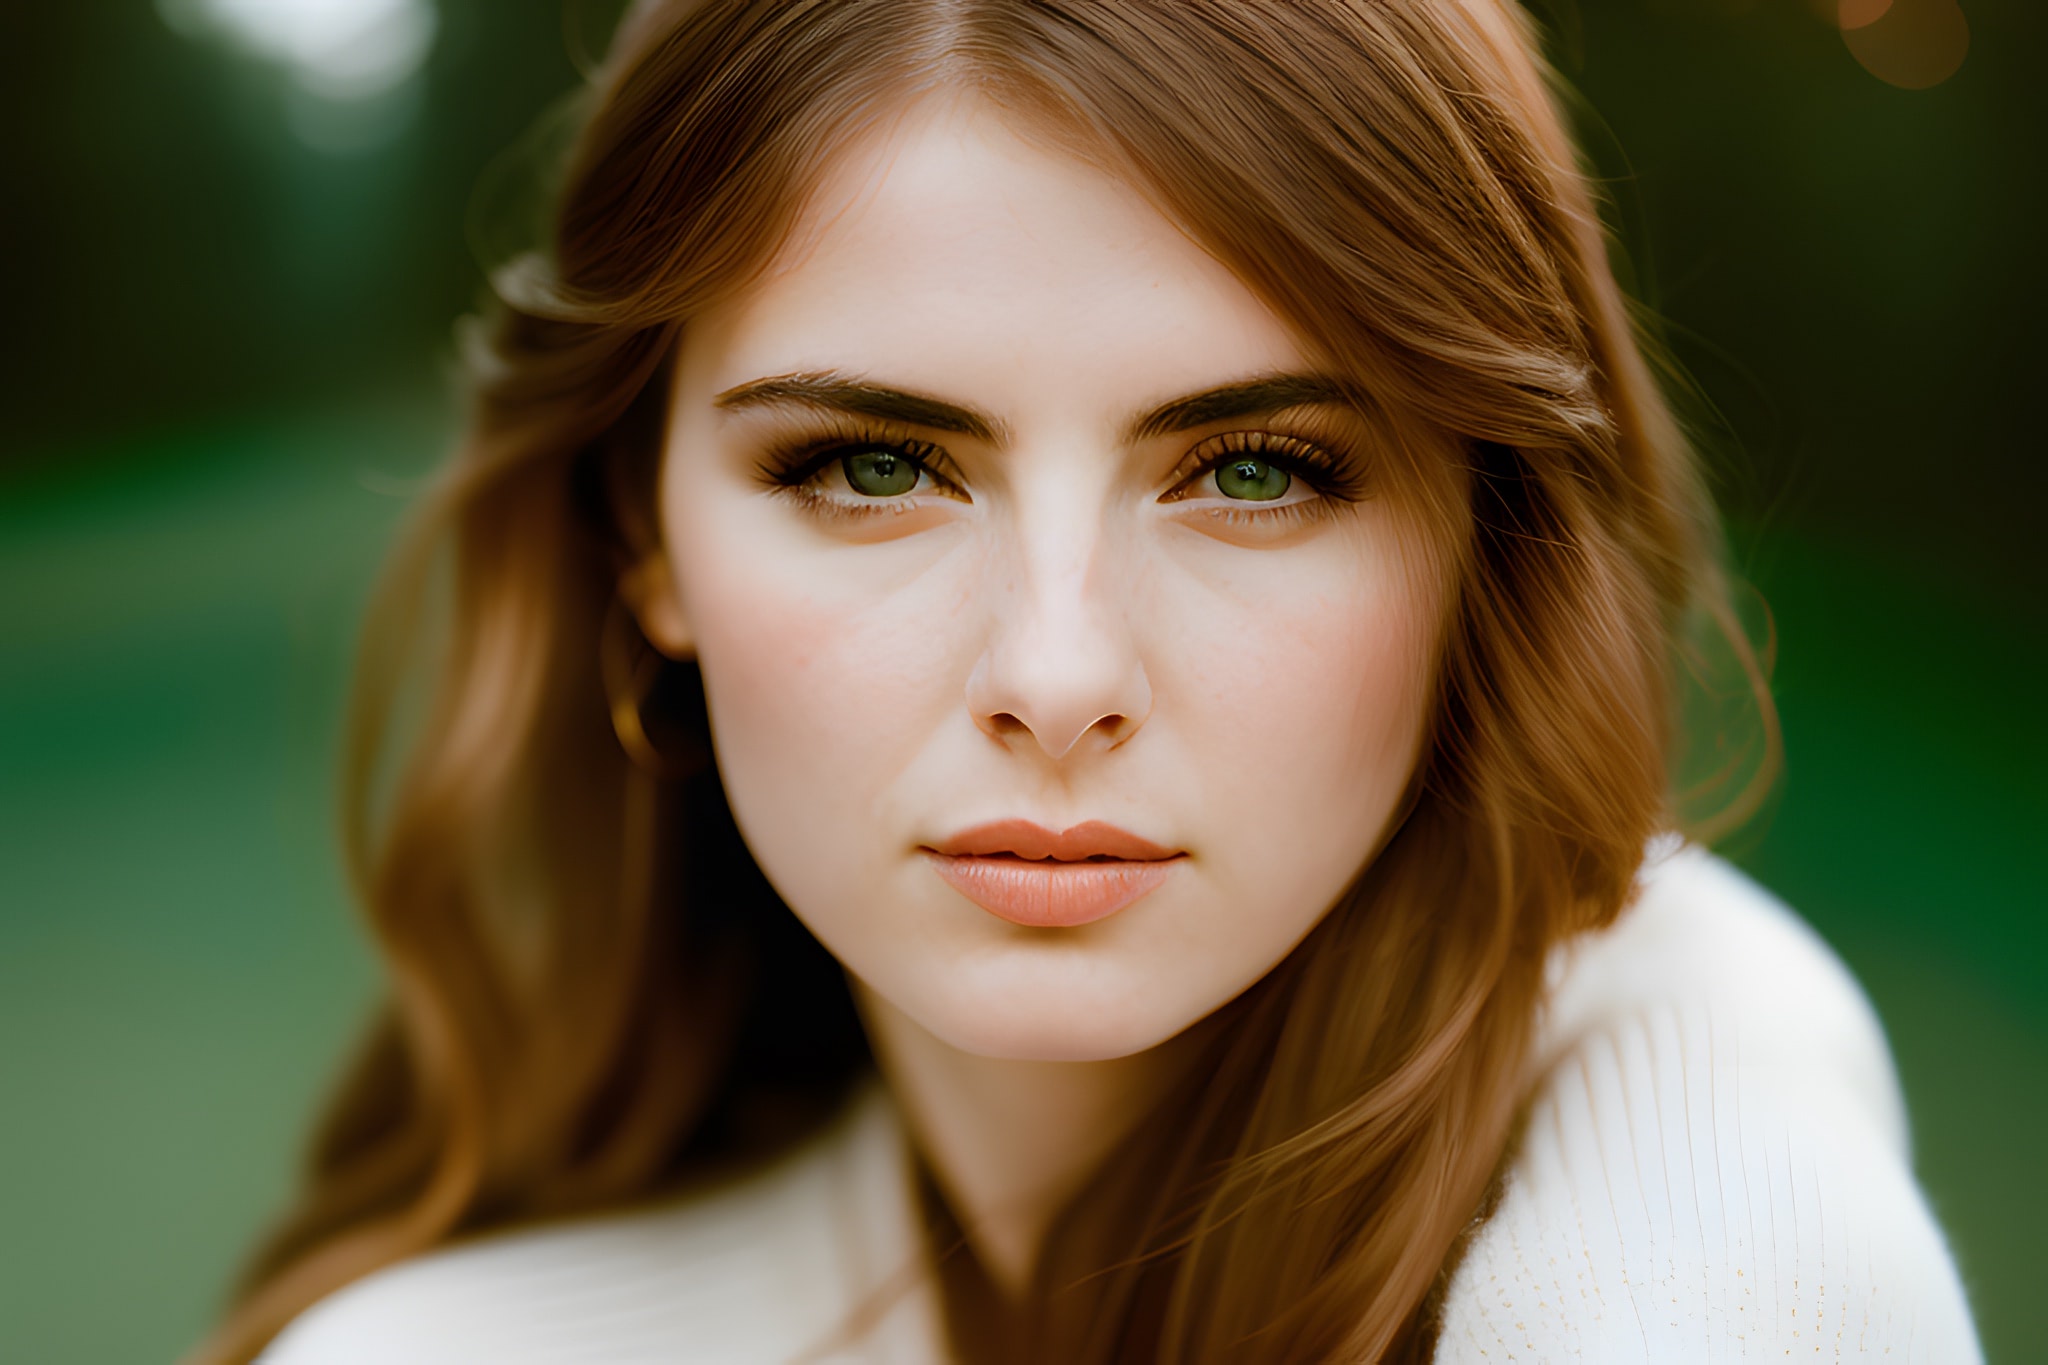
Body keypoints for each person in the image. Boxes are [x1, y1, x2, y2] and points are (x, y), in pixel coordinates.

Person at [192, 1, 1982, 1361]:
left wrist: (1697, 1026)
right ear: (640, 538)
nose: (1056, 674)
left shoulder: (1718, 1227)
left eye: (1261, 467)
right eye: (873, 468)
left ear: (1484, 538)